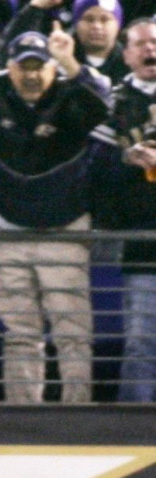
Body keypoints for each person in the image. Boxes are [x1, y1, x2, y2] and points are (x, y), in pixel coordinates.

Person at [0, 25, 111, 403]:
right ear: (9, 67)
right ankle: (23, 412)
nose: (31, 75)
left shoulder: (70, 93)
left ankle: (77, 413)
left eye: (40, 66)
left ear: (52, 68)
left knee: (72, 330)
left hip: (65, 231)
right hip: (10, 229)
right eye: (22, 66)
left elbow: (102, 107)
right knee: (19, 331)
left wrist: (70, 63)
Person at [91, 18, 156, 402]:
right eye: (142, 44)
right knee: (142, 345)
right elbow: (92, 173)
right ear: (126, 53)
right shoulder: (112, 104)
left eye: (155, 42)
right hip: (143, 246)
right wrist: (124, 158)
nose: (151, 50)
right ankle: (135, 435)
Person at [3, 0, 128, 85]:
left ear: (118, 25)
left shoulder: (131, 60)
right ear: (76, 24)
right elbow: (10, 52)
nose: (96, 26)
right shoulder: (56, 53)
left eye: (105, 19)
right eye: (88, 19)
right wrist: (34, 8)